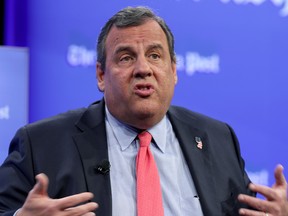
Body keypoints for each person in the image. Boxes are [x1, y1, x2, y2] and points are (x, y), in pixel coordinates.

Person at [0, 6, 287, 216]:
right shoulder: (41, 143)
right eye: (126, 57)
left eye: (154, 56)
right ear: (101, 75)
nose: (143, 69)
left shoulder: (217, 138)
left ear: (173, 71)